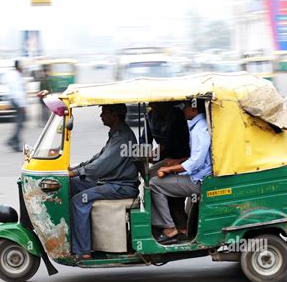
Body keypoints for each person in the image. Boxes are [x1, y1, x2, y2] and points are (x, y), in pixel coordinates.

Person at [68, 104, 140, 259]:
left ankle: (83, 250)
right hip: (109, 182)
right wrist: (76, 169)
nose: (101, 116)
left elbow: (101, 166)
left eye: (104, 113)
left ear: (114, 115)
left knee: (79, 201)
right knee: (70, 185)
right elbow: (98, 157)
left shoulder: (122, 137)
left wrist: (76, 172)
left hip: (120, 186)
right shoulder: (116, 134)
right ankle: (76, 237)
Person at [149, 99, 212, 244]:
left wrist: (169, 168)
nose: (183, 110)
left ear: (194, 109)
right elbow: (197, 156)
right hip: (195, 174)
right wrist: (177, 162)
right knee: (156, 175)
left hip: (198, 181)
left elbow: (196, 162)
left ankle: (169, 228)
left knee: (154, 184)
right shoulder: (196, 126)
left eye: (186, 107)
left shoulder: (200, 129)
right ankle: (181, 224)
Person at [140, 102, 190, 238]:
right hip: (165, 158)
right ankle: (159, 221)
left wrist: (156, 153)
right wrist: (143, 152)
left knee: (160, 184)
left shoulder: (177, 115)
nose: (151, 104)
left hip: (181, 157)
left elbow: (170, 142)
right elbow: (145, 138)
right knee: (148, 176)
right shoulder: (150, 116)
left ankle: (175, 225)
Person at [4, 60, 27, 152]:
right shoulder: (17, 76)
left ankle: (14, 142)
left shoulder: (10, 75)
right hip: (18, 102)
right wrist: (23, 105)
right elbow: (18, 91)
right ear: (19, 67)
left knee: (19, 123)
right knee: (20, 123)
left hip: (13, 100)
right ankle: (13, 141)